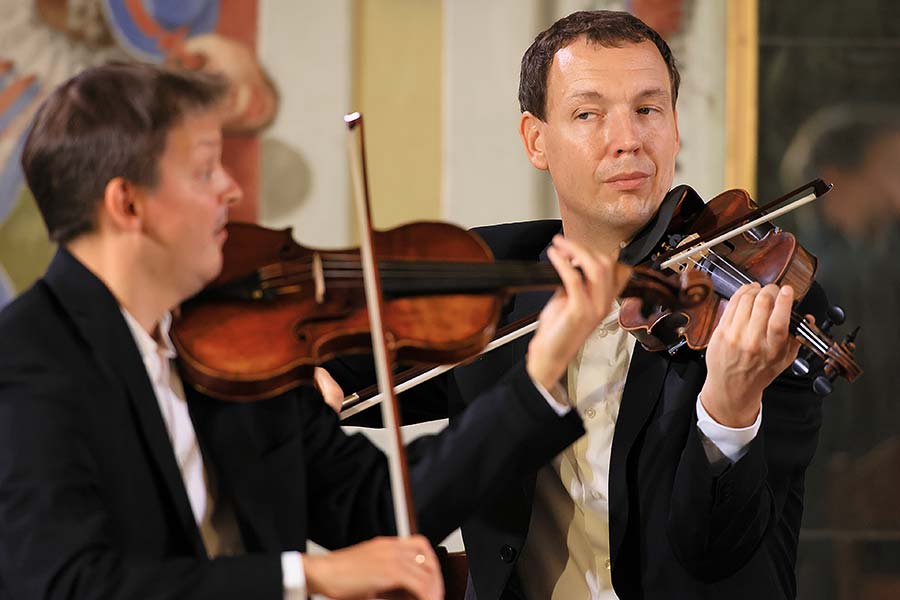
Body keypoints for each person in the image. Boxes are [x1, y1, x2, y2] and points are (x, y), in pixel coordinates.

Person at [0, 61, 632, 599]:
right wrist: (307, 574)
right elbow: (68, 584)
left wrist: (537, 374)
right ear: (127, 204)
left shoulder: (237, 343)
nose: (232, 189)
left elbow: (376, 507)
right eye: (203, 170)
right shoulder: (29, 362)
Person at [441, 10, 829, 600]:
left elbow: (716, 554)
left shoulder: (759, 296)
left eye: (648, 110)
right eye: (588, 114)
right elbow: (334, 383)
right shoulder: (488, 277)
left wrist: (728, 410)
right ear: (535, 139)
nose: (628, 140)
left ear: (675, 128)